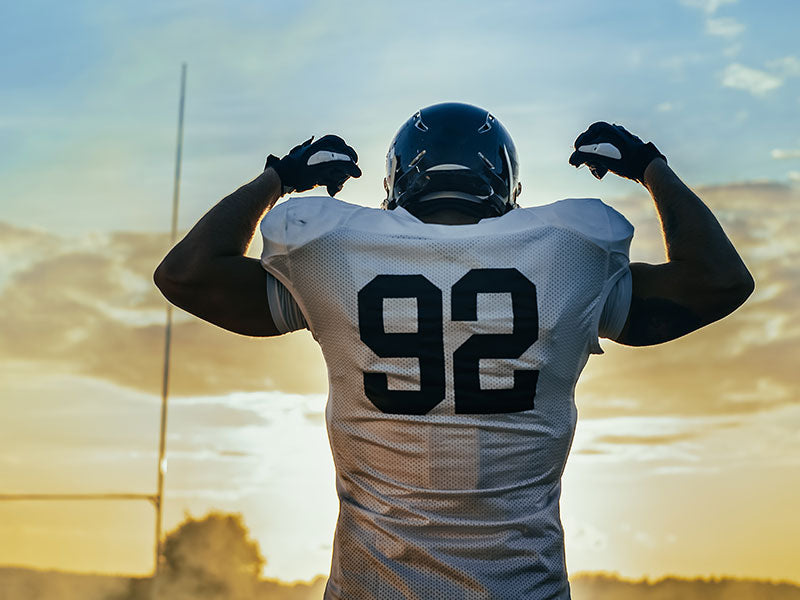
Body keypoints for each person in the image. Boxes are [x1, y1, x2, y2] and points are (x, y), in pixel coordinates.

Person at [154, 102, 753, 599]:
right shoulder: (571, 252)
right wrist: (651, 168)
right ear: (505, 180)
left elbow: (185, 274)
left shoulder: (331, 251)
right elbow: (719, 282)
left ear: (397, 180)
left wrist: (278, 179)